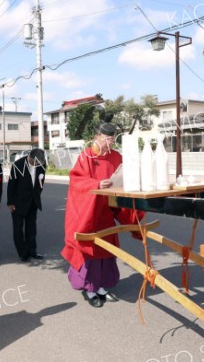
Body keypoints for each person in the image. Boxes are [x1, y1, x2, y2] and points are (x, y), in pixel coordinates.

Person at [61, 123, 143, 308]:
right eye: (107, 139)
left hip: (107, 212)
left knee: (107, 250)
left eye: (112, 139)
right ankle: (90, 289)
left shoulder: (116, 156)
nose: (110, 143)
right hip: (89, 213)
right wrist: (97, 184)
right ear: (97, 137)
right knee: (90, 249)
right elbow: (76, 181)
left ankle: (102, 288)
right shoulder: (86, 156)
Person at [7, 148, 46, 262]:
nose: (38, 165)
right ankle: (22, 253)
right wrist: (10, 202)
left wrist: (37, 195)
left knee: (31, 228)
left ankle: (32, 251)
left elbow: (41, 182)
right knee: (18, 228)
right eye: (36, 163)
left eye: (40, 163)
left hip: (33, 201)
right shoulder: (17, 165)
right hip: (18, 202)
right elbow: (11, 185)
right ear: (30, 157)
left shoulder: (42, 165)